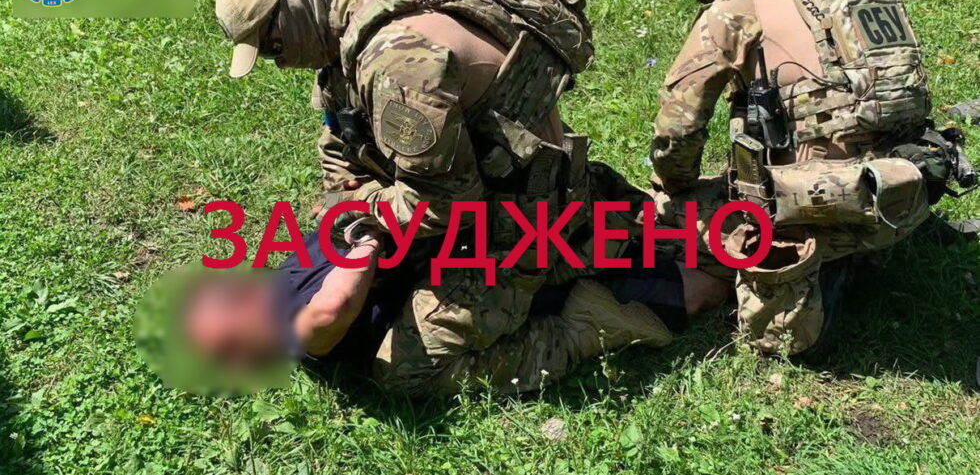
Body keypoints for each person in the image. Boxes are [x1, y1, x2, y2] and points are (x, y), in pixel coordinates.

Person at [212, 0, 730, 394]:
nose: (280, 63)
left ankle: (587, 323)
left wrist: (361, 213)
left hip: (518, 229)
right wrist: (354, 200)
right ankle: (632, 227)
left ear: (296, 7)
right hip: (517, 191)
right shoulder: (357, 23)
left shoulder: (396, 66)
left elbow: (442, 207)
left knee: (404, 370)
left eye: (273, 46)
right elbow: (338, 147)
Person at [648, 0, 971, 356]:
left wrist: (674, 183)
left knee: (663, 212)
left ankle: (816, 273)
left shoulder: (741, 1)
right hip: (901, 197)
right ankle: (866, 250)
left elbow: (679, 124)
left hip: (808, 210)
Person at [175, 220, 730, 396]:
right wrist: (372, 237)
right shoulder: (293, 326)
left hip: (477, 260)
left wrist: (376, 229)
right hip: (473, 286)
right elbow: (332, 309)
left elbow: (339, 268)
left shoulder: (290, 276)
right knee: (688, 290)